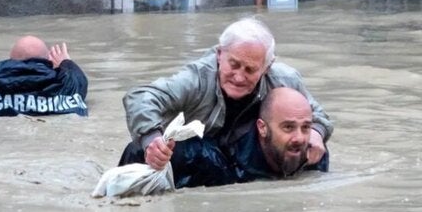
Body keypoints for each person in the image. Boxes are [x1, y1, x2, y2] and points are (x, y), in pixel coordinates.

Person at [121, 17, 332, 172]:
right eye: (234, 65)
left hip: (241, 158)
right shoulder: (196, 78)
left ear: (266, 68)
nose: (239, 77)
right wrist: (152, 140)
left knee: (312, 150)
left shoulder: (285, 79)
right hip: (197, 154)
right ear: (220, 54)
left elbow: (319, 116)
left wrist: (316, 132)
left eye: (250, 70)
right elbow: (141, 97)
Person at [125, 87, 330, 189]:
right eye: (288, 127)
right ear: (262, 128)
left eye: (306, 127)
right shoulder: (206, 160)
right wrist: (154, 148)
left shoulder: (314, 153)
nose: (299, 138)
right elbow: (135, 153)